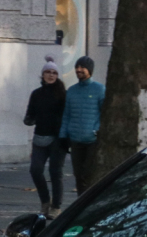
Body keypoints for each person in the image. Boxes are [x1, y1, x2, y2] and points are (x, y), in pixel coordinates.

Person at [24, 55, 67, 217]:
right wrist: (29, 119)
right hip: (40, 137)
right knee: (35, 170)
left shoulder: (63, 94)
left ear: (57, 75)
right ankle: (45, 202)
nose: (51, 75)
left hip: (57, 139)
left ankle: (56, 206)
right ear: (42, 75)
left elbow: (66, 116)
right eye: (48, 72)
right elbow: (30, 115)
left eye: (54, 73)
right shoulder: (36, 94)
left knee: (55, 172)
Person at [59, 55, 105, 194]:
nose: (79, 70)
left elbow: (104, 114)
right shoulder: (71, 91)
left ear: (90, 70)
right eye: (77, 67)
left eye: (82, 67)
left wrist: (96, 130)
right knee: (78, 175)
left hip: (92, 141)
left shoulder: (100, 90)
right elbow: (66, 115)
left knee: (89, 175)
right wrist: (63, 136)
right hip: (75, 140)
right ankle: (81, 203)